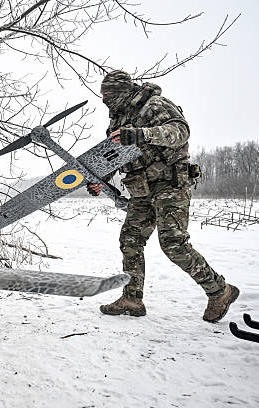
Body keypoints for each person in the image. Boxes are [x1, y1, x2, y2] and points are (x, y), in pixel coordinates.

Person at [87, 70, 239, 323]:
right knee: (130, 240)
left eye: (109, 95)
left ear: (122, 91)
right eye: (103, 95)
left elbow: (180, 131)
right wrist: (100, 180)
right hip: (141, 189)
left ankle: (220, 291)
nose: (105, 100)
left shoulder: (153, 105)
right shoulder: (118, 120)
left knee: (173, 243)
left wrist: (142, 134)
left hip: (170, 183)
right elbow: (114, 155)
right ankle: (132, 299)